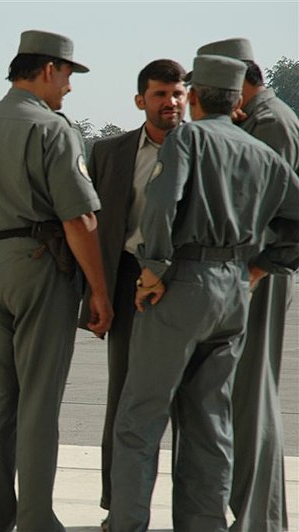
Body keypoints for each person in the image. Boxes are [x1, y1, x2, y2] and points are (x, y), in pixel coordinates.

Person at [109, 55, 299, 532]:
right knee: (211, 422)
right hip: (234, 289)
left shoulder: (188, 138)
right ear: (237, 102)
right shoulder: (262, 153)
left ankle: (128, 522)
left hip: (183, 285)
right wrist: (263, 265)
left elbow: (162, 202)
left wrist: (152, 269)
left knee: (141, 418)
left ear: (193, 97)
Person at [0, 29, 113, 532]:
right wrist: (99, 292)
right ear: (48, 69)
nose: (69, 86)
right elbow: (80, 220)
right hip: (40, 262)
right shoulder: (52, 129)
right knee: (39, 401)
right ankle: (37, 520)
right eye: (67, 75)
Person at [194, 37, 299, 532]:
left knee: (254, 396)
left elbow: (269, 208)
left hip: (261, 270)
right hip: (250, 270)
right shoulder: (257, 118)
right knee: (246, 394)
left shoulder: (271, 122)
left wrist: (252, 270)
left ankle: (260, 519)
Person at [78, 59, 187, 531]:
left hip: (184, 285)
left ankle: (196, 512)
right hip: (126, 284)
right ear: (140, 100)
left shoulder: (204, 149)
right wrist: (96, 297)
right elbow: (95, 230)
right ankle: (118, 509)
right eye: (160, 94)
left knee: (190, 403)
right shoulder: (110, 152)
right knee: (123, 399)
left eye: (178, 93)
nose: (171, 102)